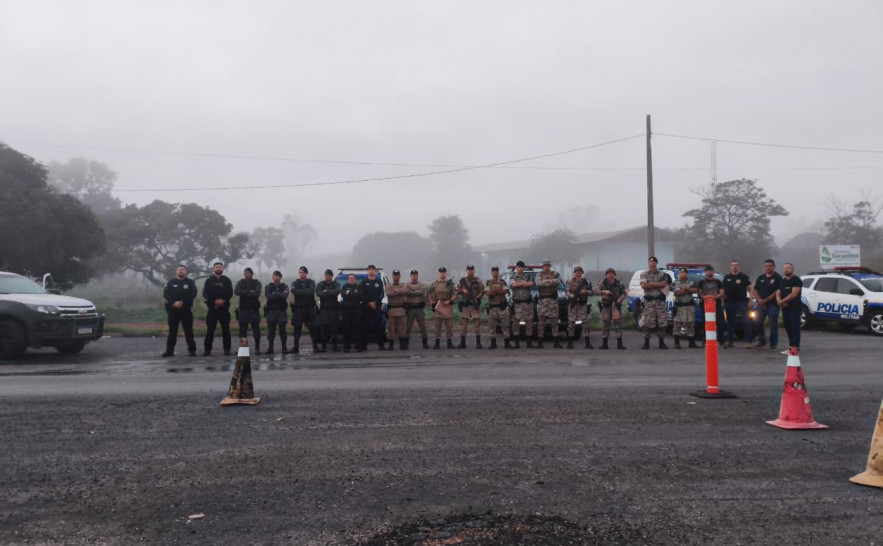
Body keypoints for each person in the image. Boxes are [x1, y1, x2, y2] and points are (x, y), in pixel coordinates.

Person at [162, 265, 197, 357]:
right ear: (176, 272)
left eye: (182, 269)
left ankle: (192, 351)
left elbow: (193, 294)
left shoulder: (190, 282)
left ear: (185, 272)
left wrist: (182, 302)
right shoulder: (171, 282)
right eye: (179, 269)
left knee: (188, 331)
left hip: (186, 310)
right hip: (173, 310)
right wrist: (173, 303)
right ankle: (169, 351)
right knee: (172, 331)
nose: (181, 271)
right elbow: (166, 294)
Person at [751, 259, 783, 351]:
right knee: (757, 322)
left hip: (772, 305)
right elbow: (755, 290)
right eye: (766, 266)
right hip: (760, 304)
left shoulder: (777, 277)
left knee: (773, 323)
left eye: (770, 266)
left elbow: (777, 291)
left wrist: (765, 300)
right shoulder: (760, 277)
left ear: (774, 267)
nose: (768, 267)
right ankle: (762, 341)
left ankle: (773, 344)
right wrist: (759, 300)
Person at [203, 261, 234, 356]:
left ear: (223, 269)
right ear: (214, 269)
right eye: (217, 267)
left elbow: (230, 293)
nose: (218, 268)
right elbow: (205, 294)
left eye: (220, 267)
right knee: (210, 330)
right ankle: (207, 350)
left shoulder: (227, 280)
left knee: (226, 330)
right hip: (213, 309)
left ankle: (227, 350)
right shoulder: (209, 281)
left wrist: (223, 301)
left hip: (224, 309)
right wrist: (214, 301)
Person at [639, 256, 669, 350]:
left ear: (657, 263)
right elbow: (643, 285)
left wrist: (651, 283)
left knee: (662, 322)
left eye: (654, 262)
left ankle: (661, 342)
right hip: (649, 302)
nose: (652, 263)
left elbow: (664, 284)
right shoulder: (644, 274)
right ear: (648, 263)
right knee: (647, 323)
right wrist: (656, 284)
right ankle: (646, 343)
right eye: (651, 262)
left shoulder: (662, 274)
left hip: (660, 302)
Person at [722, 260, 753, 348]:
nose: (734, 267)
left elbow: (750, 289)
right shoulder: (726, 278)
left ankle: (748, 342)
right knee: (730, 322)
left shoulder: (744, 277)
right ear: (730, 267)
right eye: (733, 265)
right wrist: (722, 301)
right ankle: (730, 341)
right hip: (730, 302)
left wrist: (751, 300)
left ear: (738, 267)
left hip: (742, 302)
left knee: (746, 321)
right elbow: (723, 291)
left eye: (736, 265)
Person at [290, 266, 319, 354]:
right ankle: (295, 347)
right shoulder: (295, 282)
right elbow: (294, 291)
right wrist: (305, 291)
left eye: (303, 272)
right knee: (297, 329)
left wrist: (301, 292)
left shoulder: (311, 282)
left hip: (309, 309)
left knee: (312, 328)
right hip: (299, 309)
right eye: (300, 272)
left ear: (306, 273)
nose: (302, 274)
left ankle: (315, 347)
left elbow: (312, 291)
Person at [234, 267, 262, 354]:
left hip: (254, 309)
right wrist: (249, 291)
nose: (247, 274)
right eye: (246, 273)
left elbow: (257, 293)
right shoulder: (240, 282)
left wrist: (244, 292)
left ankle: (257, 349)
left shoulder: (257, 282)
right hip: (243, 309)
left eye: (249, 273)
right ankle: (243, 350)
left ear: (252, 274)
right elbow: (237, 292)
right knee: (242, 330)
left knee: (256, 330)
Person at [427, 266, 457, 349]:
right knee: (437, 326)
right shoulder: (435, 283)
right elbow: (429, 292)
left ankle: (449, 343)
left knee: (449, 326)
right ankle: (437, 343)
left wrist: (450, 300)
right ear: (438, 273)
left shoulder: (450, 283)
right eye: (441, 272)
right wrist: (431, 301)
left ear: (446, 273)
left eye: (444, 272)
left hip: (447, 306)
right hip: (438, 306)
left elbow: (455, 294)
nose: (442, 273)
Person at [777, 262, 803, 354]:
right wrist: (779, 301)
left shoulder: (796, 280)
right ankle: (791, 347)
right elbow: (778, 292)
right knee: (788, 328)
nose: (786, 270)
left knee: (794, 328)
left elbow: (794, 294)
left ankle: (795, 348)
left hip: (794, 309)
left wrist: (782, 301)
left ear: (792, 269)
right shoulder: (783, 281)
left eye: (788, 268)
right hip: (785, 309)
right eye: (784, 268)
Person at [696, 265, 725, 348]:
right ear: (705, 272)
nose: (710, 272)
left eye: (711, 270)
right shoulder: (701, 282)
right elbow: (699, 293)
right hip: (705, 305)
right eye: (708, 270)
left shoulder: (718, 282)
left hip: (717, 305)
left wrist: (713, 298)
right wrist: (705, 298)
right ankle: (704, 341)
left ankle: (721, 341)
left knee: (720, 323)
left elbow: (722, 292)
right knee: (705, 324)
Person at [535, 260, 562, 348]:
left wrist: (546, 282)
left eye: (548, 265)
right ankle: (540, 342)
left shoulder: (556, 273)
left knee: (554, 322)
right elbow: (538, 283)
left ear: (550, 266)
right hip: (543, 301)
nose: (546, 267)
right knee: (541, 323)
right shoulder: (538, 275)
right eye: (545, 265)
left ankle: (556, 342)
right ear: (543, 266)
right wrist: (551, 282)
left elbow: (558, 281)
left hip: (552, 301)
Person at [457, 264, 485, 349]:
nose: (470, 271)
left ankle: (478, 343)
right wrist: (462, 290)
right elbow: (457, 290)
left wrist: (477, 298)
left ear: (474, 270)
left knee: (477, 324)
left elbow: (482, 291)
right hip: (466, 304)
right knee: (463, 324)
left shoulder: (478, 280)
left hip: (475, 304)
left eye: (472, 269)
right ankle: (462, 343)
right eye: (469, 269)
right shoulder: (462, 281)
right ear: (466, 271)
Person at [565, 266, 594, 349]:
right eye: (577, 271)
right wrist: (573, 296)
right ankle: (570, 342)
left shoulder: (586, 282)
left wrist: (586, 291)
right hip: (573, 305)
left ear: (582, 273)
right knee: (571, 324)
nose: (578, 273)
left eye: (580, 271)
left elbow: (592, 292)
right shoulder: (570, 282)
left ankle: (588, 343)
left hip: (582, 305)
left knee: (585, 324)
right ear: (574, 273)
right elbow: (566, 292)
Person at [597, 267, 626, 350]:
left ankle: (619, 344)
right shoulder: (602, 283)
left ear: (614, 274)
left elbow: (623, 293)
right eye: (608, 273)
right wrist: (604, 291)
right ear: (606, 274)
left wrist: (620, 299)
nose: (610, 275)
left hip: (616, 306)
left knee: (618, 325)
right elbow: (596, 291)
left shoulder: (619, 284)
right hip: (606, 306)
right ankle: (604, 344)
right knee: (605, 325)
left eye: (612, 273)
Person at [509, 260, 535, 348]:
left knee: (529, 323)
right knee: (516, 323)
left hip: (527, 303)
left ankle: (529, 343)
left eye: (521, 267)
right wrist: (524, 283)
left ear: (524, 268)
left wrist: (519, 284)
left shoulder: (528, 276)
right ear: (516, 268)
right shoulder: (512, 276)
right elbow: (513, 285)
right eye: (518, 267)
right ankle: (516, 343)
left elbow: (530, 284)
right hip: (517, 304)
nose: (520, 268)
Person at [671, 267, 699, 349]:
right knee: (677, 324)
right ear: (679, 274)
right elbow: (677, 292)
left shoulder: (692, 282)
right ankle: (677, 342)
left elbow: (696, 290)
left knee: (690, 324)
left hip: (689, 306)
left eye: (684, 272)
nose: (683, 274)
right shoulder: (675, 282)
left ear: (687, 274)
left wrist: (685, 289)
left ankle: (691, 342)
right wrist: (687, 290)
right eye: (681, 272)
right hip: (679, 306)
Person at [360, 265, 386, 351]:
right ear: (367, 271)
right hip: (366, 307)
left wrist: (375, 302)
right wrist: (368, 303)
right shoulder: (364, 282)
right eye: (369, 269)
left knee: (379, 326)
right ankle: (364, 345)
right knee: (365, 327)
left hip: (376, 307)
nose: (371, 271)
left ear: (375, 271)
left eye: (373, 269)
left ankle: (381, 345)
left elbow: (382, 294)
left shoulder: (379, 282)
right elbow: (362, 294)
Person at [485, 266, 511, 349]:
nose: (495, 272)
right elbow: (488, 293)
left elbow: (506, 291)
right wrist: (499, 291)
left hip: (502, 307)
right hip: (493, 308)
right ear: (491, 272)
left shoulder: (503, 281)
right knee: (492, 326)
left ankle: (507, 344)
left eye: (496, 271)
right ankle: (493, 343)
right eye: (494, 271)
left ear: (498, 272)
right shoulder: (488, 282)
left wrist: (494, 291)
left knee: (505, 326)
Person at [264, 270, 289, 354]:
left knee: (283, 331)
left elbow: (285, 295)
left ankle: (284, 348)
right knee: (271, 331)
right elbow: (269, 296)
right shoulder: (269, 286)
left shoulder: (284, 286)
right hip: (271, 311)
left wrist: (275, 293)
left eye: (278, 276)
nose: (276, 277)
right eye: (275, 276)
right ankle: (270, 348)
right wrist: (280, 294)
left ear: (280, 277)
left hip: (281, 311)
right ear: (272, 277)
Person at [316, 269, 341, 352]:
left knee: (334, 330)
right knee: (324, 330)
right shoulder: (321, 284)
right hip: (324, 311)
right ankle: (323, 347)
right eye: (326, 275)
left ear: (332, 276)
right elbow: (319, 293)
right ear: (325, 275)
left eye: (329, 275)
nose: (328, 276)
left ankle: (335, 346)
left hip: (333, 310)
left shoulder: (336, 284)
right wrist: (330, 292)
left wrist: (326, 291)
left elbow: (337, 292)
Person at [404, 269, 429, 349]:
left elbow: (422, 292)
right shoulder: (407, 284)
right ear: (410, 276)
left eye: (415, 275)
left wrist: (412, 292)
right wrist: (416, 292)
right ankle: (406, 343)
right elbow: (406, 292)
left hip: (419, 308)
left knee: (422, 326)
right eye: (413, 275)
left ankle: (425, 343)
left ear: (417, 276)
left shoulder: (421, 284)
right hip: (410, 308)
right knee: (408, 327)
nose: (414, 277)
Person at [385, 269, 408, 350]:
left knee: (401, 328)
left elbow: (405, 290)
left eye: (397, 275)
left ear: (399, 276)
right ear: (392, 276)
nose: (396, 276)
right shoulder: (388, 285)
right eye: (394, 275)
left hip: (401, 308)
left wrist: (394, 291)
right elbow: (388, 293)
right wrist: (399, 292)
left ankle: (402, 344)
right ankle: (391, 345)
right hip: (392, 309)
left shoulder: (403, 284)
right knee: (391, 328)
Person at [340, 273, 363, 352]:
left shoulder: (359, 287)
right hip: (346, 310)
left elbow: (360, 295)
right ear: (348, 279)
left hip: (356, 310)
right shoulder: (345, 286)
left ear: (355, 279)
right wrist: (353, 294)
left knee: (357, 328)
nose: (351, 279)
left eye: (353, 278)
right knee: (346, 329)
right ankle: (347, 347)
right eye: (350, 278)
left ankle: (358, 346)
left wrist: (349, 294)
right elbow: (343, 295)